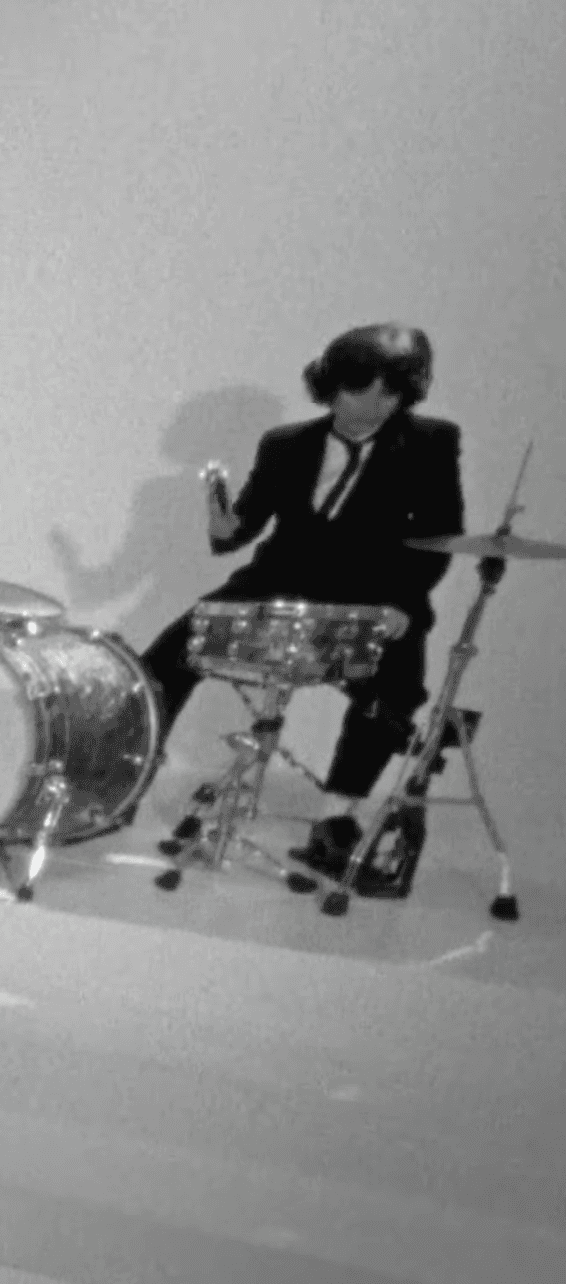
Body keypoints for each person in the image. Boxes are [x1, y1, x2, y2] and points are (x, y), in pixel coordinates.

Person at [136, 322, 463, 873]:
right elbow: (239, 531)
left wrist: (402, 606)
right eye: (361, 391)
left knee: (397, 689)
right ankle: (128, 775)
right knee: (169, 653)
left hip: (371, 591)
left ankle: (337, 817)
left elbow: (439, 537)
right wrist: (220, 517)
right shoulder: (285, 443)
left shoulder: (431, 441)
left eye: (391, 395)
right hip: (278, 579)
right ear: (330, 385)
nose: (376, 406)